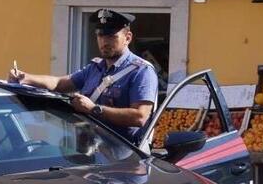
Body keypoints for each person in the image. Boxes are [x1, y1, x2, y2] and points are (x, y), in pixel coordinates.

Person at [9, 8, 159, 143]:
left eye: (111, 36)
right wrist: (26, 78)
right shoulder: (95, 67)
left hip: (124, 157)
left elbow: (140, 117)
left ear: (127, 38)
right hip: (91, 151)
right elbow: (60, 83)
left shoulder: (141, 71)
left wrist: (94, 108)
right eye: (100, 35)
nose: (104, 41)